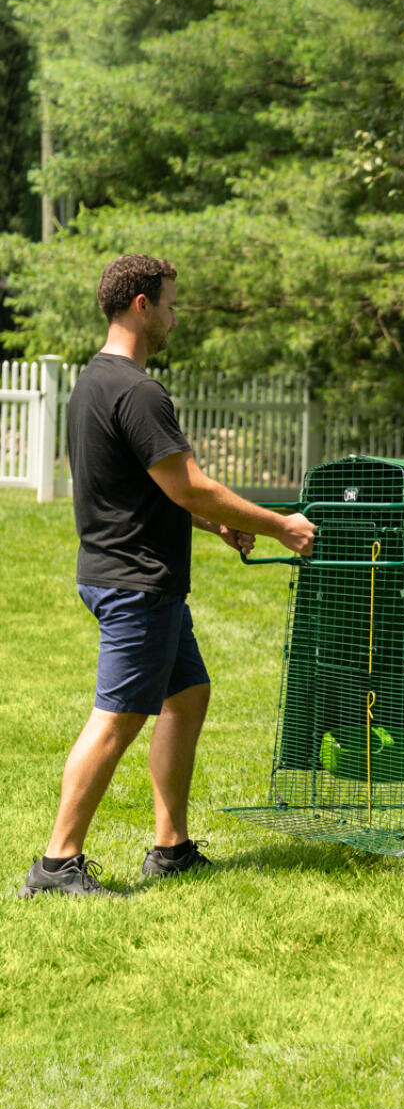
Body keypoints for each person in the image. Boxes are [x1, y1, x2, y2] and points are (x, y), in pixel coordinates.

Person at [19, 255, 316, 898]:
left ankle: (171, 847)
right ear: (141, 305)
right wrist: (278, 525)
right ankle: (55, 864)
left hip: (126, 573)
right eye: (173, 305)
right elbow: (189, 483)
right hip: (136, 582)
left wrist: (214, 526)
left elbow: (144, 488)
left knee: (188, 696)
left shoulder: (94, 382)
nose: (177, 317)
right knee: (118, 718)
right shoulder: (137, 390)